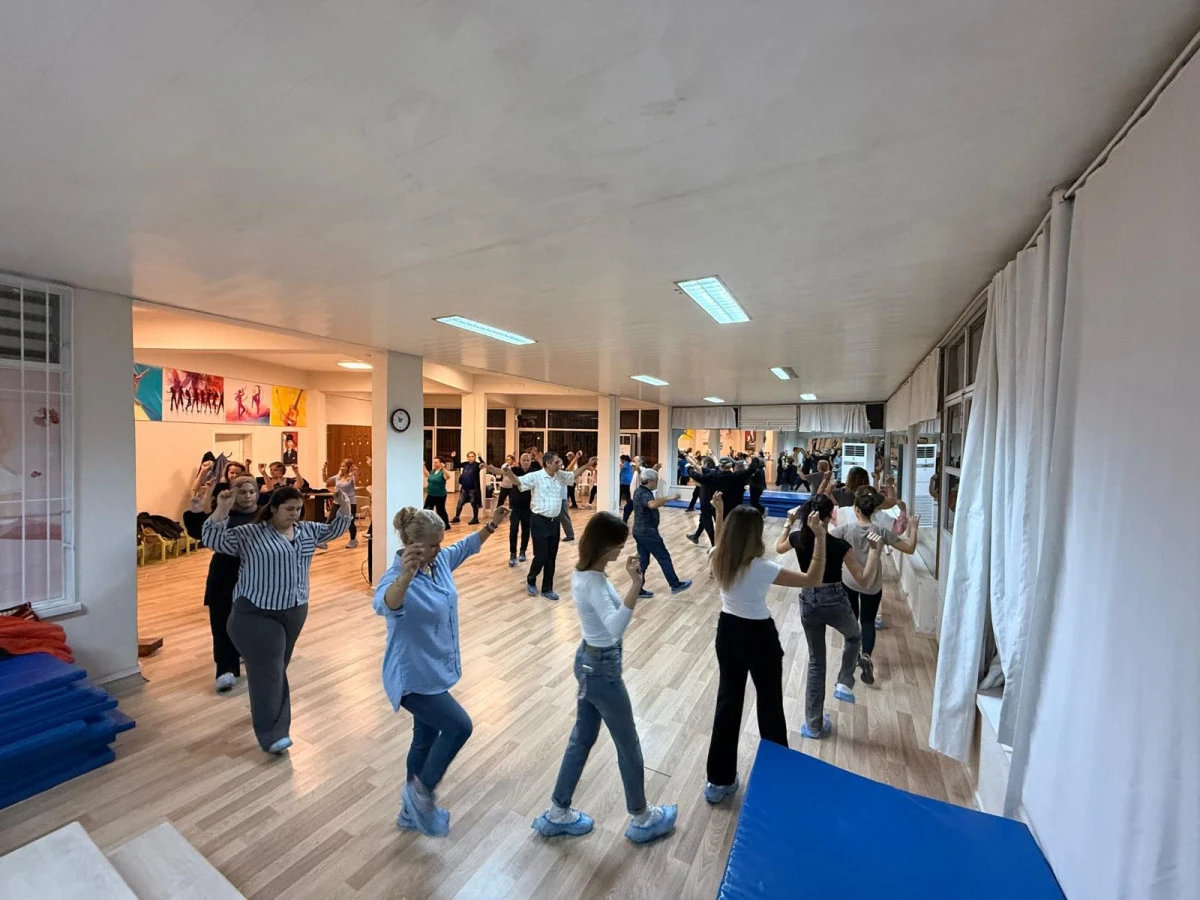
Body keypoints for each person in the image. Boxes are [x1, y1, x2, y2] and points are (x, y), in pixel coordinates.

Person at [532, 512, 678, 844]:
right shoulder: (594, 583)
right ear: (605, 546)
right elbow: (613, 630)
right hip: (601, 671)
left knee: (582, 738)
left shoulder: (587, 573)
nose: (622, 548)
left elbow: (606, 615)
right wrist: (636, 586)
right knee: (628, 744)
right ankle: (642, 817)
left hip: (588, 663)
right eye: (619, 544)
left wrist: (629, 581)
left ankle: (557, 813)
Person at [375, 503, 510, 837]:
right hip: (412, 677)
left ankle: (408, 812)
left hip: (435, 671)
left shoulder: (439, 563)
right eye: (432, 545)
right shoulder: (396, 578)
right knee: (459, 727)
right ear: (411, 544)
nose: (439, 549)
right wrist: (405, 577)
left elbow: (465, 546)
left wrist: (492, 524)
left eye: (440, 542)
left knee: (424, 739)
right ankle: (420, 794)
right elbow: (385, 603)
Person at [202, 485, 352, 753]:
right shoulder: (251, 533)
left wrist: (344, 505)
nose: (294, 514)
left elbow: (335, 529)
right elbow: (213, 539)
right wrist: (222, 508)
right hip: (255, 612)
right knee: (270, 671)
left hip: (294, 609)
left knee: (275, 669)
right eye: (289, 509)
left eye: (298, 509)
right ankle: (273, 734)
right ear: (273, 508)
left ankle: (263, 708)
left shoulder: (307, 531)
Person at [702, 493, 829, 803]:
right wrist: (820, 537)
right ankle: (778, 777)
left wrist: (720, 511)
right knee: (770, 704)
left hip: (728, 632)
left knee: (727, 702)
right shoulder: (762, 568)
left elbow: (720, 541)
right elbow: (813, 578)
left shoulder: (718, 557)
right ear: (755, 534)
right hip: (759, 636)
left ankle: (718, 781)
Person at [777, 494, 882, 739]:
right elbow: (864, 580)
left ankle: (813, 725)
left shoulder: (798, 538)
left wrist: (788, 523)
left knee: (816, 662)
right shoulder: (839, 545)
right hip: (834, 600)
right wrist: (874, 551)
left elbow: (778, 547)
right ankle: (844, 680)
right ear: (828, 517)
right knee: (854, 637)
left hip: (808, 600)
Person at [830, 487, 919, 684]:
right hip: (872, 584)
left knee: (852, 619)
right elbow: (910, 549)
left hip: (850, 581)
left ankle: (851, 655)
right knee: (868, 621)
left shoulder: (846, 530)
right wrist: (914, 528)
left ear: (856, 510)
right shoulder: (881, 532)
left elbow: (823, 539)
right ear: (873, 510)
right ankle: (866, 656)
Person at [183, 474, 259, 694]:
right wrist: (196, 512)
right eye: (242, 492)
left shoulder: (265, 515)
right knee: (222, 622)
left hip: (255, 577)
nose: (247, 496)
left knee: (253, 623)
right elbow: (201, 532)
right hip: (225, 575)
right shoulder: (223, 513)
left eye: (251, 492)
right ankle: (225, 668)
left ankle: (250, 658)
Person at [497, 452, 596, 601]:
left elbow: (573, 474)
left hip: (554, 522)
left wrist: (587, 465)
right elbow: (518, 482)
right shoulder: (536, 476)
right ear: (548, 463)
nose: (560, 464)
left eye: (560, 462)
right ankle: (531, 578)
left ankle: (547, 588)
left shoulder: (560, 475)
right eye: (557, 462)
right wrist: (508, 472)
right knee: (541, 556)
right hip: (539, 521)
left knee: (551, 556)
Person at [630, 468, 692, 598]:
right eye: (656, 481)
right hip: (647, 533)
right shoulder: (644, 493)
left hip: (639, 531)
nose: (657, 483)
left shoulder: (639, 491)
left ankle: (637, 589)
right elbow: (652, 504)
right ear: (650, 481)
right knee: (664, 557)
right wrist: (669, 497)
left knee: (643, 561)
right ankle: (675, 584)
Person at [498, 453, 533, 567]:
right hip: (515, 506)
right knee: (513, 529)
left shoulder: (534, 472)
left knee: (526, 529)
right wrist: (488, 467)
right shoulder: (515, 470)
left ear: (530, 461)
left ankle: (523, 551)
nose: (526, 462)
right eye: (524, 460)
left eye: (528, 460)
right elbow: (501, 471)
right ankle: (513, 554)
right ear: (520, 461)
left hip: (528, 507)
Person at [326, 458, 359, 548]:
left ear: (348, 467)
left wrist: (355, 473)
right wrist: (323, 470)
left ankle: (353, 540)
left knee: (350, 522)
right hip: (338, 501)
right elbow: (327, 480)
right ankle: (323, 540)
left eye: (343, 466)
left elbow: (356, 481)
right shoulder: (338, 477)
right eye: (341, 466)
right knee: (329, 520)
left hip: (350, 502)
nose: (341, 468)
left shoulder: (352, 477)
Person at [685, 456, 718, 546]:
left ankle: (714, 544)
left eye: (703, 463)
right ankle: (696, 536)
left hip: (707, 503)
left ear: (706, 464)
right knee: (704, 520)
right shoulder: (715, 471)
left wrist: (689, 468)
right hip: (713, 503)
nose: (701, 465)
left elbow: (695, 474)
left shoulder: (707, 475)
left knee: (708, 523)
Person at [451, 451, 482, 525]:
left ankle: (475, 519)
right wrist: (454, 457)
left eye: (472, 456)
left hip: (473, 489)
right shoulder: (466, 464)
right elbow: (457, 464)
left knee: (474, 504)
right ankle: (457, 517)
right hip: (464, 489)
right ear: (467, 458)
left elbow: (483, 464)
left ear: (475, 457)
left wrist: (480, 457)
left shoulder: (477, 465)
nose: (470, 458)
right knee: (460, 503)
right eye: (469, 457)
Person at [423, 457, 451, 529]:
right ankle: (427, 525)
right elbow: (427, 475)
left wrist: (444, 468)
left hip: (440, 495)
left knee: (440, 511)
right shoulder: (433, 471)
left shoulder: (442, 472)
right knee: (426, 510)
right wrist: (423, 466)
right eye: (434, 462)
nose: (434, 464)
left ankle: (446, 525)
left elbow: (448, 476)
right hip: (431, 494)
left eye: (436, 462)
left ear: (441, 463)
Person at [621, 456, 643, 524]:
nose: (633, 462)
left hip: (637, 496)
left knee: (629, 509)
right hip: (634, 495)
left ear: (640, 462)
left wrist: (637, 468)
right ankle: (624, 524)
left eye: (635, 460)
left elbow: (642, 473)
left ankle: (624, 524)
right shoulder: (636, 470)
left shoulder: (642, 469)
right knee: (627, 509)